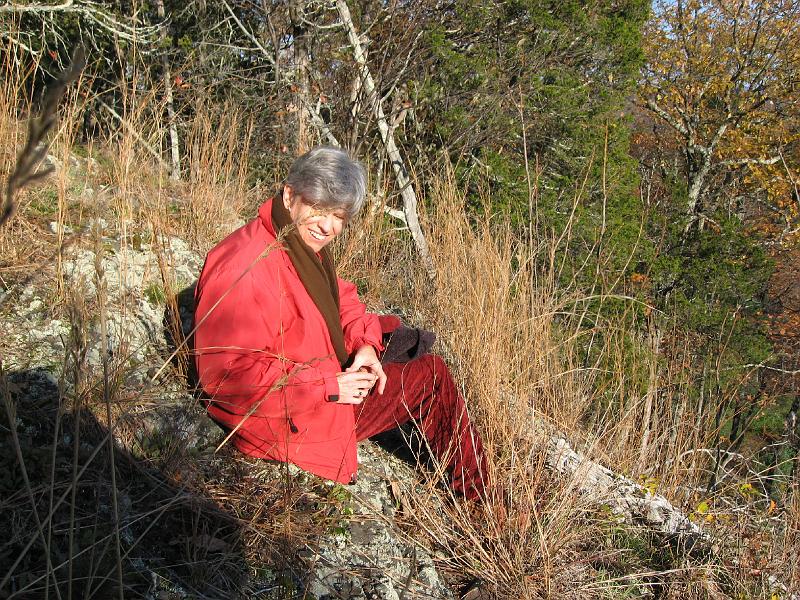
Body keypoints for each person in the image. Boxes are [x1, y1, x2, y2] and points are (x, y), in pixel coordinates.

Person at [193, 146, 488, 499]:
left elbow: (340, 299)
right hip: (287, 421)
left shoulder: (293, 243)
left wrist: (365, 344)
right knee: (432, 377)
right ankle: (483, 502)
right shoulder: (247, 267)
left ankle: (477, 490)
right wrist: (329, 386)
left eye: (339, 216)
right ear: (290, 195)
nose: (328, 226)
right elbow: (228, 377)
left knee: (404, 344)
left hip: (311, 387)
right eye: (319, 208)